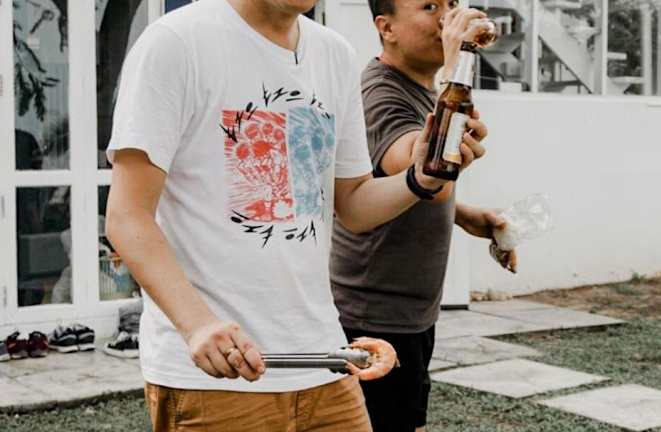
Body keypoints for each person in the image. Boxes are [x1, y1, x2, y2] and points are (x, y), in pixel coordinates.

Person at [104, 0, 487, 430]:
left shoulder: (334, 54)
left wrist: (419, 178)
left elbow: (354, 203)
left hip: (324, 360)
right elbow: (127, 216)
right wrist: (196, 325)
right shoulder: (177, 42)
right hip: (219, 372)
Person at [330, 1, 518, 431]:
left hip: (410, 313)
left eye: (451, 4)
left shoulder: (423, 89)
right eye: (429, 6)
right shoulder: (379, 93)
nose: (447, 17)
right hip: (372, 315)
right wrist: (458, 62)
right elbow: (431, 172)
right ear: (387, 28)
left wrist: (464, 215)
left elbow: (409, 188)